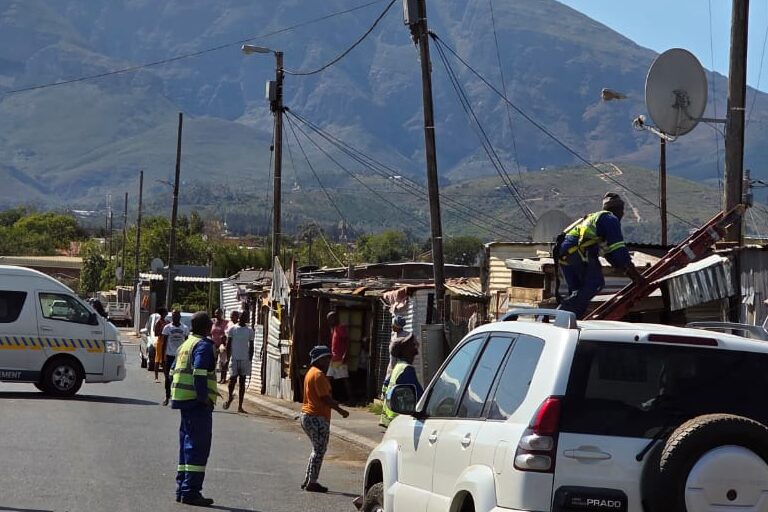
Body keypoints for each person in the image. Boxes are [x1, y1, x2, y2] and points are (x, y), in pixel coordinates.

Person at [556, 192, 644, 319]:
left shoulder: (596, 219)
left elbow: (609, 252)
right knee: (595, 283)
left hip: (564, 253)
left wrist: (623, 267)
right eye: (622, 210)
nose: (623, 214)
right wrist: (636, 276)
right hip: (577, 252)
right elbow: (618, 250)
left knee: (579, 292)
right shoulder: (610, 219)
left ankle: (570, 319)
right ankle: (560, 316)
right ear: (618, 209)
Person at [170, 311, 218, 507]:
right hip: (196, 403)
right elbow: (199, 372)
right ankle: (191, 491)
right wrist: (203, 397)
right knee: (198, 448)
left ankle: (182, 489)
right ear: (207, 328)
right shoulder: (203, 346)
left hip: (183, 400)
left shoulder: (186, 344)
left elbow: (172, 370)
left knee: (186, 446)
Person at [300, 345, 349, 493]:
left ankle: (309, 479)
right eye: (327, 358)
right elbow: (326, 398)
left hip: (307, 416)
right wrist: (341, 410)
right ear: (320, 359)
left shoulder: (311, 373)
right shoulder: (319, 375)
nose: (329, 361)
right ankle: (312, 482)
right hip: (316, 417)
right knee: (319, 450)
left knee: (316, 449)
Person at [380, 333, 423, 428]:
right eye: (411, 344)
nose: (415, 346)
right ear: (404, 350)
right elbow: (419, 396)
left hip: (391, 419)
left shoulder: (398, 366)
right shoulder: (406, 369)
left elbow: (386, 384)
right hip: (399, 420)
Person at [223, 311, 254, 413]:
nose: (245, 318)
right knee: (232, 380)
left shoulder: (249, 330)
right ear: (239, 317)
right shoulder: (233, 329)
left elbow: (251, 346)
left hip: (244, 359)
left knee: (242, 382)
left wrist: (250, 358)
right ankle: (230, 397)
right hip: (234, 358)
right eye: (243, 316)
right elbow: (228, 344)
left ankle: (240, 406)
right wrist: (228, 358)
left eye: (246, 317)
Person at [161, 310, 190, 406]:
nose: (175, 317)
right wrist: (162, 358)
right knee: (168, 378)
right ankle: (167, 396)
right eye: (173, 316)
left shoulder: (185, 328)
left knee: (178, 378)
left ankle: (176, 397)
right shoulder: (167, 328)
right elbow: (164, 343)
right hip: (169, 356)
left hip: (180, 357)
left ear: (179, 317)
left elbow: (187, 343)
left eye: (176, 316)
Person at [326, 311, 353, 404]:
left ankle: (351, 399)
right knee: (328, 378)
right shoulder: (333, 329)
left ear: (335, 318)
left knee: (344, 378)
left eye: (331, 318)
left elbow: (347, 341)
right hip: (334, 358)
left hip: (340, 358)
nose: (329, 321)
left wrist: (346, 354)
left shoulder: (340, 328)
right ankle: (329, 397)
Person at [382, 315, 410, 396]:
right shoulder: (395, 336)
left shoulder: (403, 337)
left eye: (393, 325)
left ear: (398, 326)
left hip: (398, 368)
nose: (392, 326)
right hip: (393, 366)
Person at [218, 310, 240, 384]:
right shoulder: (229, 324)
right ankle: (222, 378)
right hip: (226, 345)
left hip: (234, 346)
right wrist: (223, 341)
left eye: (232, 315)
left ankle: (231, 379)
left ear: (237, 317)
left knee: (230, 363)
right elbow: (225, 333)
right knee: (223, 362)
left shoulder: (238, 325)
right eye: (230, 315)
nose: (231, 316)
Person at [210, 309, 228, 383]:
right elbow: (210, 333)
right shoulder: (213, 322)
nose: (217, 315)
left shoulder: (225, 323)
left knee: (223, 362)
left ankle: (223, 378)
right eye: (216, 313)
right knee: (213, 361)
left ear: (222, 314)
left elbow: (227, 332)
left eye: (219, 313)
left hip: (222, 345)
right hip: (213, 344)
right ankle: (212, 377)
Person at [153, 307, 169, 379]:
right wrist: (163, 333)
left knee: (165, 359)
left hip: (166, 341)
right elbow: (156, 333)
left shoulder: (167, 321)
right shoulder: (158, 322)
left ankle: (166, 376)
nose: (167, 313)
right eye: (165, 312)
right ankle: (156, 377)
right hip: (160, 341)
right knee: (158, 358)